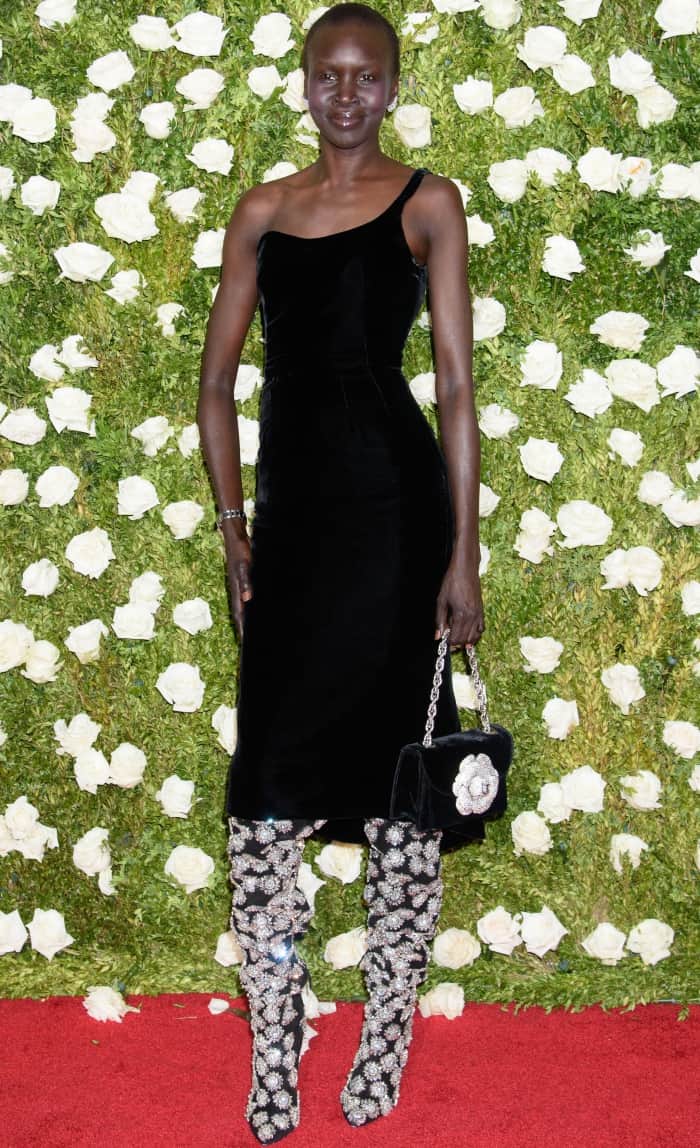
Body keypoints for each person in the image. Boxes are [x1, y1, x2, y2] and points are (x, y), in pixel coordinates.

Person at [197, 3, 484, 1142]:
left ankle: (384, 1034)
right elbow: (215, 385)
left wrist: (463, 550)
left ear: (395, 85)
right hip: (296, 537)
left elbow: (456, 386)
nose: (349, 94)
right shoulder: (262, 211)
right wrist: (233, 534)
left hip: (400, 525)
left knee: (401, 796)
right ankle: (277, 1044)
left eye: (369, 76)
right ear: (305, 84)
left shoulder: (428, 203)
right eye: (331, 74)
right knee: (266, 796)